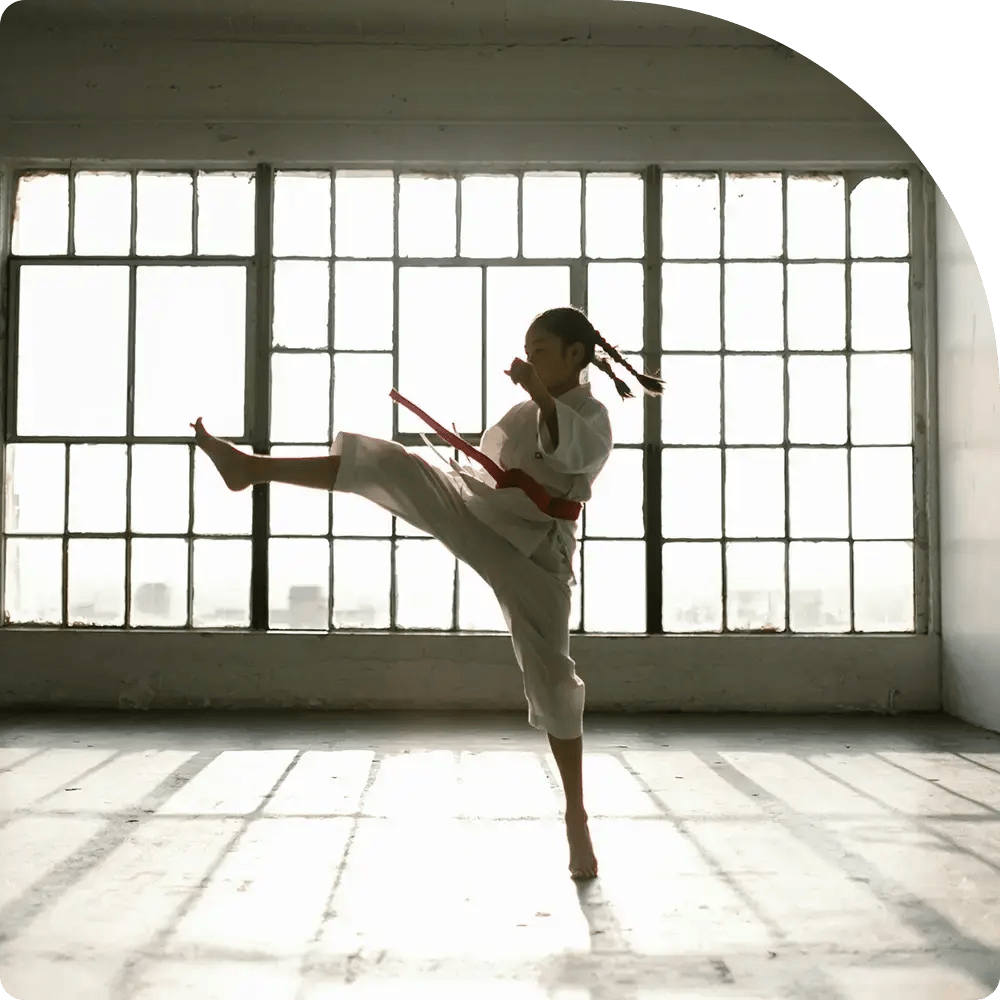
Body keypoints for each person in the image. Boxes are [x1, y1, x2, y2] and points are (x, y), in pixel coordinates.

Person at [192, 305, 665, 879]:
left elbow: (571, 457)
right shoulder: (522, 412)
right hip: (488, 522)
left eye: (542, 349)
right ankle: (251, 466)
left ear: (574, 355)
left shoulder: (591, 414)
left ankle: (576, 815)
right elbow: (500, 469)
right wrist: (476, 459)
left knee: (552, 677)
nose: (532, 359)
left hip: (540, 556)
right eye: (529, 349)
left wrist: (543, 400)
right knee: (394, 463)